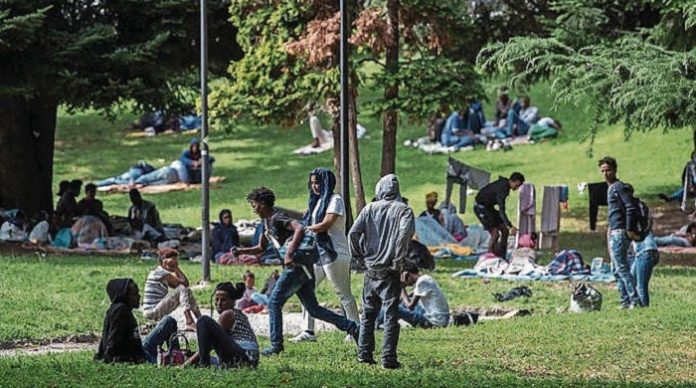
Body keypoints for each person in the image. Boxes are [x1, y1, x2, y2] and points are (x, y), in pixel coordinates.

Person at [232, 187, 359, 356]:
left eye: (254, 204)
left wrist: (290, 252)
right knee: (313, 309)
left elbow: (299, 228)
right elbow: (261, 247)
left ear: (263, 204)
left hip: (295, 267)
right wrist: (241, 251)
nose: (253, 208)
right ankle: (351, 327)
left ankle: (276, 345)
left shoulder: (277, 217)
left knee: (274, 303)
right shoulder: (265, 223)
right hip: (303, 268)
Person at [348, 174, 415, 369]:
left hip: (370, 269)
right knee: (390, 315)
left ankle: (364, 354)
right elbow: (403, 236)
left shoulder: (369, 209)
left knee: (368, 314)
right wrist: (398, 260)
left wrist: (359, 255)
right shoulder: (404, 211)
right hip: (389, 270)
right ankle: (388, 358)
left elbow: (353, 232)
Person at [290, 168, 360, 344]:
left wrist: (305, 229)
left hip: (335, 253)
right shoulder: (317, 202)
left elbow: (326, 224)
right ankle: (308, 331)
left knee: (343, 294)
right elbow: (310, 222)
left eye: (318, 182)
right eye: (312, 182)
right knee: (307, 289)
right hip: (319, 254)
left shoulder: (335, 200)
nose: (314, 186)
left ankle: (356, 330)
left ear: (327, 182)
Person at [95, 278, 179, 364]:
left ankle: (177, 355)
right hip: (137, 357)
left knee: (168, 321)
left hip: (140, 350)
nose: (139, 296)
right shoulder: (120, 311)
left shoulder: (121, 309)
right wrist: (108, 358)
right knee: (167, 364)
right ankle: (177, 360)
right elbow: (113, 339)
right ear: (124, 295)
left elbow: (105, 336)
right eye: (134, 294)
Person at [184, 282, 259, 368]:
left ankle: (203, 365)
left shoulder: (228, 314)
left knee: (203, 320)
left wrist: (187, 363)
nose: (218, 303)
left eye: (223, 300)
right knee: (195, 356)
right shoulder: (236, 313)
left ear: (232, 302)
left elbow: (209, 344)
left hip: (245, 358)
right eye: (216, 299)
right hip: (247, 359)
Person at [599, 156, 641, 309]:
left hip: (620, 232)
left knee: (621, 268)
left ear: (615, 170)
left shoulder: (618, 187)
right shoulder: (612, 188)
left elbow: (630, 208)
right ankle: (624, 301)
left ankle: (634, 300)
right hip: (615, 231)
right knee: (615, 269)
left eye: (608, 170)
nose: (605, 174)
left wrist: (629, 230)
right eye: (602, 171)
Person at [142, 248, 201, 331]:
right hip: (152, 310)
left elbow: (185, 284)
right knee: (182, 288)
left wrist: (175, 268)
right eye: (173, 262)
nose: (175, 264)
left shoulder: (161, 272)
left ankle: (201, 320)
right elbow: (183, 284)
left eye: (176, 262)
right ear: (164, 261)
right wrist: (176, 268)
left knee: (187, 291)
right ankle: (189, 321)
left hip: (156, 309)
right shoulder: (160, 272)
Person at [377, 265, 450, 328]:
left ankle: (376, 324)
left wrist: (402, 288)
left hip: (433, 322)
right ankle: (381, 321)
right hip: (439, 318)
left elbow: (410, 306)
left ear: (406, 274)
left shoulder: (422, 282)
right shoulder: (425, 278)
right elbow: (406, 298)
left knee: (394, 307)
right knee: (398, 304)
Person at [473, 172, 525, 258]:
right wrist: (510, 225)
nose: (517, 188)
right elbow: (501, 210)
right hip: (480, 207)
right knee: (495, 233)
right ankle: (489, 255)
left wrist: (508, 226)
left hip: (488, 207)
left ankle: (501, 254)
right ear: (512, 181)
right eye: (517, 185)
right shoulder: (503, 188)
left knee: (504, 230)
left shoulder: (505, 185)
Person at [628, 232, 659, 307]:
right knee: (632, 280)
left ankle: (644, 309)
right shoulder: (643, 221)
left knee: (641, 287)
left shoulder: (633, 221)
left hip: (645, 251)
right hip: (645, 251)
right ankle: (635, 305)